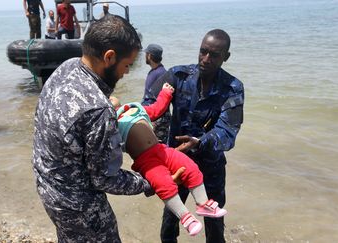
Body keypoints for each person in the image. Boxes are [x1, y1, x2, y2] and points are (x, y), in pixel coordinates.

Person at [33, 15, 183, 242]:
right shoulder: (97, 110)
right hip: (79, 205)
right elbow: (105, 178)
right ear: (109, 57)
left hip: (49, 187)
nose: (127, 72)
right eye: (126, 65)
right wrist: (153, 180)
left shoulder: (67, 68)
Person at [154, 29, 244, 243]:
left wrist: (200, 142)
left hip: (210, 168)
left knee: (214, 229)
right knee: (169, 225)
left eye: (214, 55)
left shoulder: (233, 88)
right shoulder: (177, 76)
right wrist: (157, 150)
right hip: (177, 164)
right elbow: (153, 108)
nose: (206, 59)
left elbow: (228, 131)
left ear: (226, 57)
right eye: (203, 52)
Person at [110, 83, 227, 237]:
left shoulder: (136, 109)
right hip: (146, 162)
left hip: (163, 150)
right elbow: (110, 150)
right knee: (164, 184)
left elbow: (158, 108)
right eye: (106, 99)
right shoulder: (111, 124)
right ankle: (185, 217)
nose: (109, 98)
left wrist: (166, 92)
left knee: (191, 167)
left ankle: (203, 203)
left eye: (110, 96)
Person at [142, 43, 170, 143]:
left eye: (146, 54)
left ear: (149, 55)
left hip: (158, 119)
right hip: (152, 115)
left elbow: (159, 100)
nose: (145, 56)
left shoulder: (161, 73)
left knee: (156, 148)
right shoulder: (156, 72)